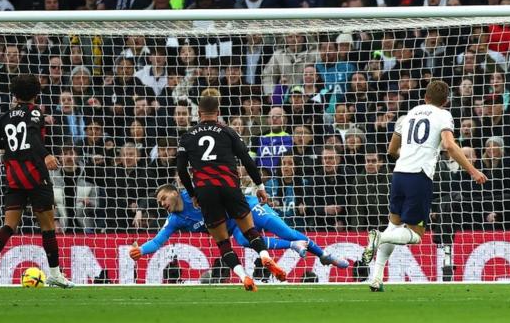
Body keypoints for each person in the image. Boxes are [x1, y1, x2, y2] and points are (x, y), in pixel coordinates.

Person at [362, 80, 487, 292]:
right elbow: (449, 145)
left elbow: (392, 150)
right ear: (446, 101)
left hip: (399, 174)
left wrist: (409, 154)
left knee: (394, 226)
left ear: (425, 97)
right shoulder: (444, 115)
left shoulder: (409, 114)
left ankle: (376, 278)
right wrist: (473, 171)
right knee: (416, 235)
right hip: (419, 177)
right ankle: (379, 237)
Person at [167, 88, 286, 291]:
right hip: (229, 186)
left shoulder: (187, 137)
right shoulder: (228, 131)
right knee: (249, 231)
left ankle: (244, 277)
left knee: (223, 241)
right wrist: (260, 186)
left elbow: (181, 170)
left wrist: (193, 193)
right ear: (218, 111)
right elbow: (247, 160)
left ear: (198, 113)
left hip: (205, 191)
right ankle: (265, 257)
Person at [0, 75, 74, 290]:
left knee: (9, 225)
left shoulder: (5, 116)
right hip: (35, 176)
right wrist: (46, 155)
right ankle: (55, 275)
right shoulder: (34, 112)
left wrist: (12, 147)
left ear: (14, 94)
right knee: (48, 226)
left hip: (14, 178)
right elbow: (32, 139)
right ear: (36, 93)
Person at [129, 184, 349, 268]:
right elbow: (158, 241)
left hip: (247, 207)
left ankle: (323, 255)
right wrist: (141, 250)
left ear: (174, 192)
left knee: (286, 231)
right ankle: (294, 245)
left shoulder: (194, 193)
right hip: (234, 225)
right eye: (159, 203)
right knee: (244, 240)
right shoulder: (175, 220)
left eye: (163, 199)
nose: (162, 204)